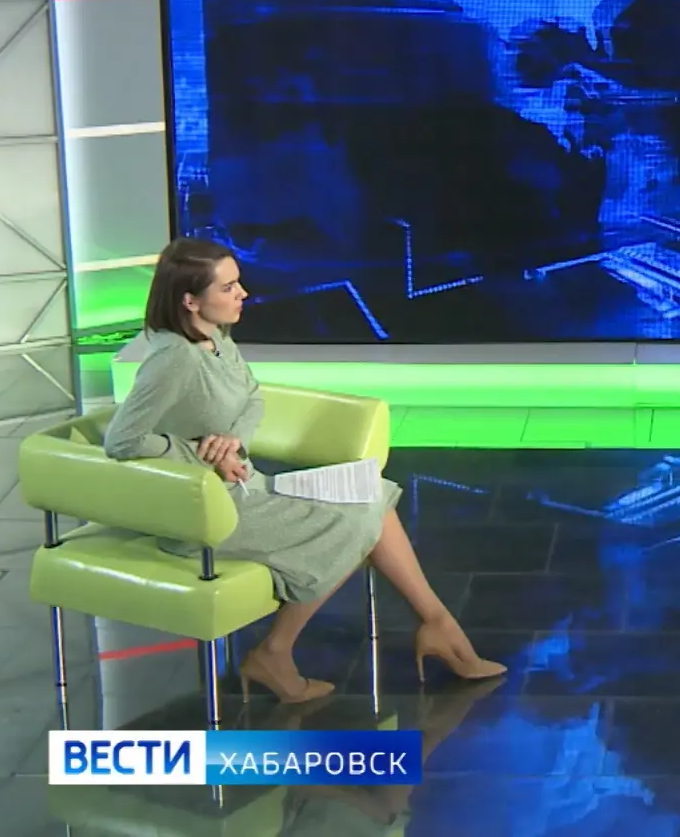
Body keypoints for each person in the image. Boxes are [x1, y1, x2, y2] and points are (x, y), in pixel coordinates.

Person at [105, 238, 505, 704]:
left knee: (372, 494)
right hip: (204, 513)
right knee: (359, 520)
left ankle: (436, 624)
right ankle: (278, 651)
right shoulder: (174, 358)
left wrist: (233, 440)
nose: (243, 293)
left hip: (243, 487)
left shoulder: (216, 337)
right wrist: (196, 451)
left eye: (238, 283)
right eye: (228, 287)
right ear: (190, 301)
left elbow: (253, 399)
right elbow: (121, 440)